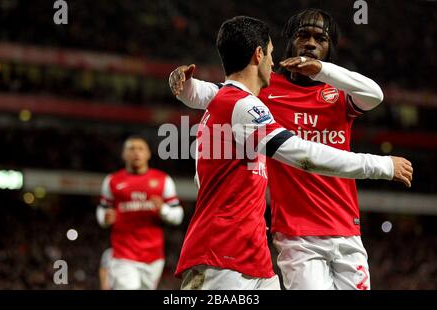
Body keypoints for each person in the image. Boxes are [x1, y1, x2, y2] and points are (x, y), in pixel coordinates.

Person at [169, 9, 413, 290]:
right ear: (268, 52)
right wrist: (187, 87)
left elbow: (376, 95)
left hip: (343, 228)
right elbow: (223, 94)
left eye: (320, 38)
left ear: (329, 46)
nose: (310, 43)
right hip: (295, 235)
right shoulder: (263, 94)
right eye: (302, 35)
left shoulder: (336, 93)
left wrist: (322, 70)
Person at [96, 136, 184, 290]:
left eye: (141, 149)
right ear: (123, 154)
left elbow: (178, 215)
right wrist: (104, 218)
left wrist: (162, 209)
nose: (136, 153)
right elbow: (102, 209)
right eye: (131, 149)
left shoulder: (163, 180)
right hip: (123, 254)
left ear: (148, 154)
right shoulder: (112, 181)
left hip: (153, 256)